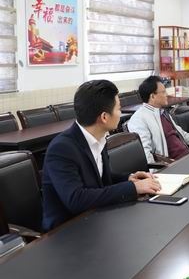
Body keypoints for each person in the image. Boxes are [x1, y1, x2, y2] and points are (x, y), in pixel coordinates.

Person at [42, 80, 161, 231]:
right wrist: (132, 188)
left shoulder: (99, 137)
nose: (120, 114)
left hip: (95, 219)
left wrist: (129, 178)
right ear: (104, 117)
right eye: (119, 109)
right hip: (66, 230)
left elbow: (100, 178)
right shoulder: (62, 148)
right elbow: (76, 199)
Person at [128, 76, 189, 163]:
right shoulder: (139, 119)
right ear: (152, 96)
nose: (167, 95)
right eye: (163, 92)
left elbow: (182, 134)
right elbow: (145, 153)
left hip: (188, 156)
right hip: (173, 164)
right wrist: (160, 169)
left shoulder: (162, 113)